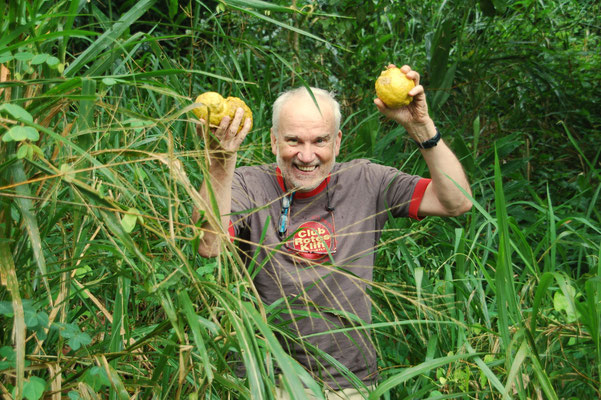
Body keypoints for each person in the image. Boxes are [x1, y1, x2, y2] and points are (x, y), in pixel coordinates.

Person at [192, 64, 472, 399]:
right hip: (264, 380)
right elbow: (210, 245)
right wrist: (220, 162)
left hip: (347, 384)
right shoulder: (246, 183)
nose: (306, 155)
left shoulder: (367, 181)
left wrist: (421, 127)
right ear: (273, 140)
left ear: (337, 142)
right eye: (293, 140)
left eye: (320, 140)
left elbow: (456, 202)